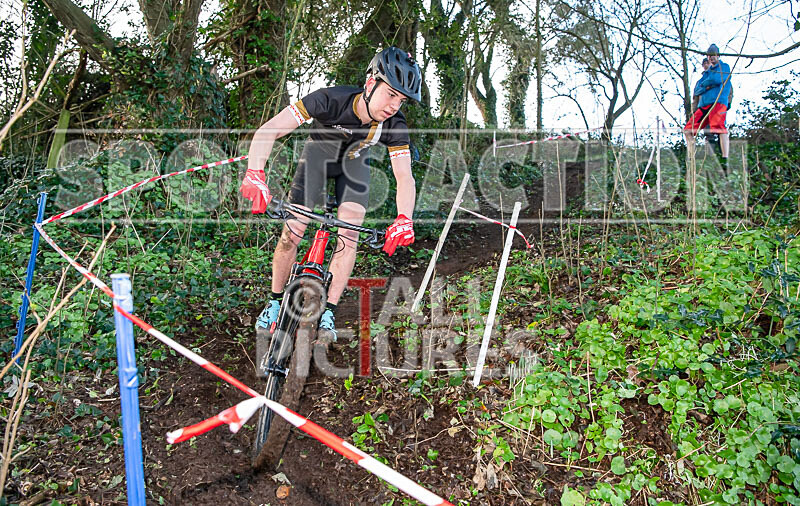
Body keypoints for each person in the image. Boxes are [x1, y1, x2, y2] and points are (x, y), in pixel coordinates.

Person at [240, 47, 421, 341]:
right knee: (292, 232)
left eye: (401, 100)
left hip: (353, 165)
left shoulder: (394, 125)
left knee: (349, 236)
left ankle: (329, 311)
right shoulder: (328, 99)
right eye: (390, 94)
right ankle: (274, 301)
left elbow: (404, 176)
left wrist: (404, 218)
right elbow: (270, 129)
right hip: (317, 159)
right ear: (371, 83)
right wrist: (255, 173)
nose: (393, 106)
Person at [684, 44, 733, 164]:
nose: (711, 58)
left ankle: (725, 158)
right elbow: (697, 90)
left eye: (713, 55)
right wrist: (709, 84)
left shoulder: (724, 67)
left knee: (719, 128)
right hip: (704, 104)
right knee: (688, 130)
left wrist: (707, 85)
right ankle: (692, 157)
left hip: (718, 102)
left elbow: (717, 79)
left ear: (718, 55)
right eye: (709, 55)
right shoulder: (706, 73)